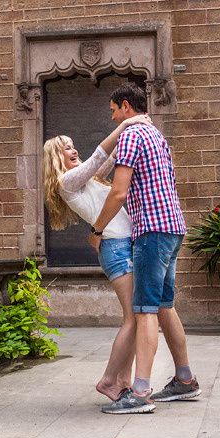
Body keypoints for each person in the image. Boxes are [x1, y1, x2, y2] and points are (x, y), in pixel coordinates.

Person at [88, 82, 199, 414]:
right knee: (164, 306)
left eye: (113, 110)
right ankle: (185, 380)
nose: (112, 117)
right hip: (173, 227)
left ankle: (140, 391)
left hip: (151, 231)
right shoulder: (156, 135)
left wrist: (97, 229)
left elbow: (118, 192)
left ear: (126, 106)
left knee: (144, 310)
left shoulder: (131, 136)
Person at [42, 113, 152, 401]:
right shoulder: (67, 182)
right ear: (56, 157)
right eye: (66, 147)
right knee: (132, 319)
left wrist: (130, 132)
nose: (73, 149)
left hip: (123, 244)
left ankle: (123, 382)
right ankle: (108, 380)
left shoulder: (85, 180)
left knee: (136, 318)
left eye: (73, 145)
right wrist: (125, 124)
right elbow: (98, 157)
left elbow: (110, 159)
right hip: (115, 248)